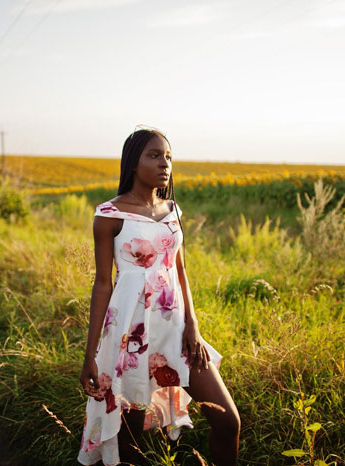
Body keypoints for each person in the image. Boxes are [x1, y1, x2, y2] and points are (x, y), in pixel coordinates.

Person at [77, 127, 240, 465]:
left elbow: (180, 271)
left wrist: (193, 325)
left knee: (227, 420)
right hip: (130, 334)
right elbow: (102, 285)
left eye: (168, 156)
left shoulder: (173, 210)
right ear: (133, 163)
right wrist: (90, 354)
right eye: (154, 155)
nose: (165, 163)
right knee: (131, 441)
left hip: (176, 329)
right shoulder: (110, 215)